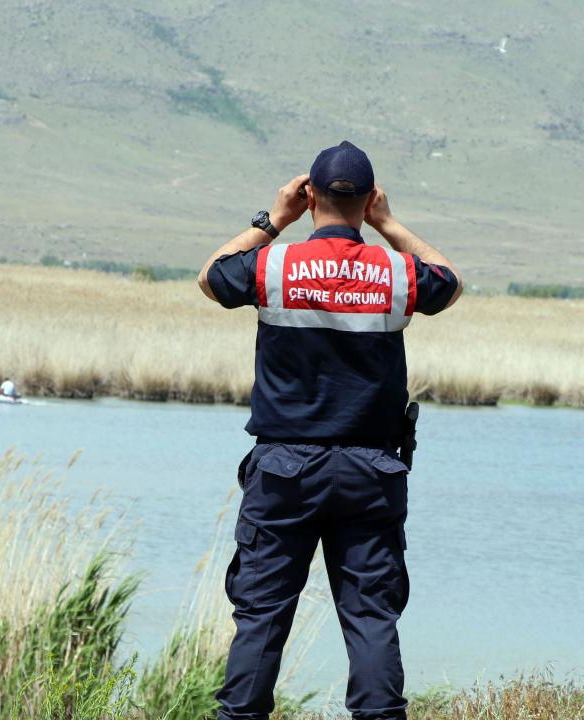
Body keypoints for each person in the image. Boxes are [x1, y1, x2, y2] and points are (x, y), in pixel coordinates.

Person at [197, 141, 462, 720]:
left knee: (262, 615)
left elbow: (211, 278)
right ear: (369, 200)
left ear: (309, 194)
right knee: (371, 617)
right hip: (371, 472)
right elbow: (450, 280)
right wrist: (389, 224)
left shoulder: (274, 265)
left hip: (283, 474)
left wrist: (274, 220)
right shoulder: (395, 272)